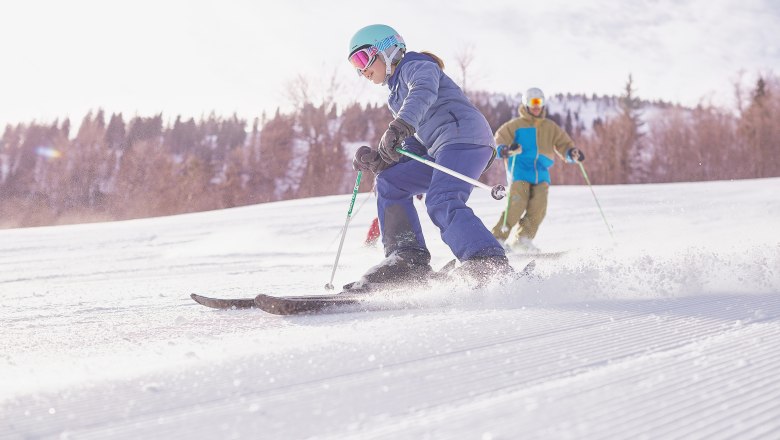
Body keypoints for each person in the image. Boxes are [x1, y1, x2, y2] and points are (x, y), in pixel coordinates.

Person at [347, 24, 509, 289]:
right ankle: (407, 258)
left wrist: (399, 126)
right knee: (390, 181)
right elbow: (415, 142)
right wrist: (383, 159)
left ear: (387, 50)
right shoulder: (396, 95)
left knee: (441, 199)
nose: (361, 70)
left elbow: (422, 92)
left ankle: (487, 263)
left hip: (464, 138)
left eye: (363, 58)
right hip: (438, 149)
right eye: (356, 64)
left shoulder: (416, 65)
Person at [490, 87, 585, 252]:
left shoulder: (550, 127)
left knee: (539, 208)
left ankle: (523, 240)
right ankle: (498, 238)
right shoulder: (515, 125)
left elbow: (564, 145)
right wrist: (505, 149)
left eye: (539, 102)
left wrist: (571, 153)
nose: (536, 106)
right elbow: (498, 141)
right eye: (532, 102)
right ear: (526, 104)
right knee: (516, 206)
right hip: (520, 171)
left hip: (541, 173)